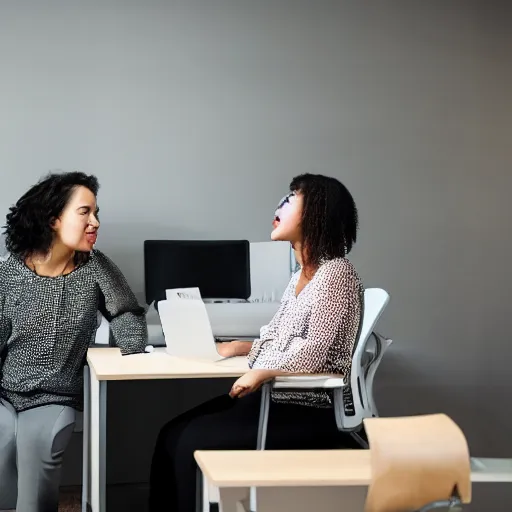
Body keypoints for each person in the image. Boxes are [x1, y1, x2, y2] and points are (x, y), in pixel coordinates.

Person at [148, 173, 364, 512]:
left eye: (292, 198)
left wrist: (261, 371)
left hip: (309, 409)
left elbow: (312, 352)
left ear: (317, 213)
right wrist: (241, 348)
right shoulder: (299, 277)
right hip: (275, 398)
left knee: (189, 443)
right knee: (170, 434)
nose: (279, 205)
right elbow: (274, 338)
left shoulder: (336, 273)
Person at [0, 171, 147, 512]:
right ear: (54, 219)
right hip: (5, 393)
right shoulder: (9, 274)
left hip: (55, 396)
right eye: (85, 212)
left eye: (96, 213)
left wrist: (133, 350)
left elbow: (126, 312)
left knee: (35, 470)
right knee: (3, 446)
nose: (95, 222)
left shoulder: (95, 267)